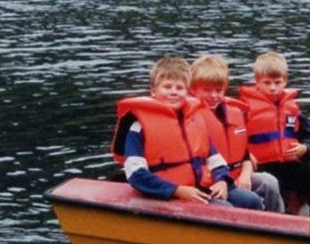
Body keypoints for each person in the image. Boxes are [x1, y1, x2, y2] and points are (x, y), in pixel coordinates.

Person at [111, 55, 264, 210]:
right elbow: (135, 174)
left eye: (179, 88)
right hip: (166, 194)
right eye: (167, 87)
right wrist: (177, 191)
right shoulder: (138, 127)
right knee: (224, 208)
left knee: (252, 200)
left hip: (200, 189)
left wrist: (222, 180)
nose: (173, 92)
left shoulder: (195, 120)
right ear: (153, 91)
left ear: (187, 92)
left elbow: (216, 160)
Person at [238, 51, 310, 219]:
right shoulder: (244, 109)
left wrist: (305, 148)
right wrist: (246, 155)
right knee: (274, 187)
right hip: (262, 167)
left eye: (277, 82)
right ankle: (282, 219)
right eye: (267, 83)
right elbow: (234, 139)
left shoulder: (293, 109)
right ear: (257, 82)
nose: (273, 87)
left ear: (285, 81)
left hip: (289, 165)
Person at [190, 54, 285, 214]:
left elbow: (244, 154)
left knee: (268, 182)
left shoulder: (233, 113)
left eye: (218, 90)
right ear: (193, 89)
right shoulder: (189, 119)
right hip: (209, 182)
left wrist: (246, 174)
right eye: (207, 90)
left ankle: (278, 224)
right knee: (232, 204)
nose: (213, 96)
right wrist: (222, 181)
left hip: (235, 176)